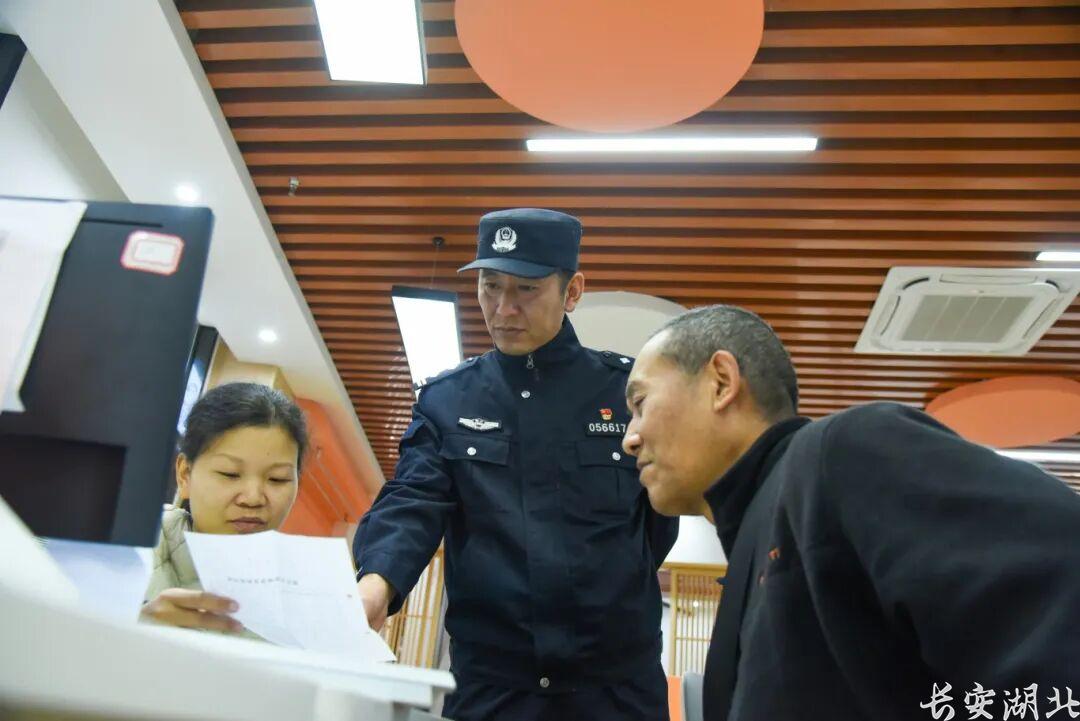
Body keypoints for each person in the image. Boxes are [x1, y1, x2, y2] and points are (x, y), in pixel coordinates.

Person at [621, 303, 1080, 721]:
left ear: (721, 382)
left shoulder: (839, 455)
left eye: (640, 404)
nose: (630, 439)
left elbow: (1057, 580)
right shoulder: (756, 537)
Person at [353, 208, 679, 721]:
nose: (503, 309)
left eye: (526, 289)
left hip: (616, 687)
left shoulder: (624, 394)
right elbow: (414, 499)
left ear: (572, 292)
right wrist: (376, 581)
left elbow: (659, 522)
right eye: (490, 287)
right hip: (492, 686)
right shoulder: (447, 400)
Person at [140, 381, 308, 635]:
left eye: (277, 479)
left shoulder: (310, 592)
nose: (253, 498)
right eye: (230, 474)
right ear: (185, 474)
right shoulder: (129, 546)